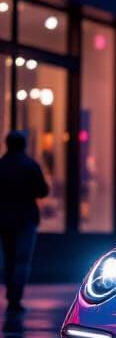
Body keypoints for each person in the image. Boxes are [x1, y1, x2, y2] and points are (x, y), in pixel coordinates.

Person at [0, 131, 49, 313]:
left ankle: (10, 293)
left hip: (4, 219)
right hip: (26, 218)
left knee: (8, 258)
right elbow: (42, 191)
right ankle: (16, 297)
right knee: (22, 259)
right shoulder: (30, 166)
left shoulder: (2, 166)